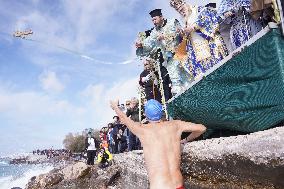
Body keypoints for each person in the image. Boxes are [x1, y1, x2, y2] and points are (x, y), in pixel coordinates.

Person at [110, 99, 206, 189]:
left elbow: (124, 118)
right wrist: (185, 139)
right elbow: (202, 128)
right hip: (178, 185)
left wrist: (115, 107)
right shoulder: (176, 125)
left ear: (146, 115)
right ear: (161, 112)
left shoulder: (142, 129)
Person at [170, 0, 228, 79]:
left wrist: (194, 26)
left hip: (211, 49)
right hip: (198, 55)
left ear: (185, 3)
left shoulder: (198, 10)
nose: (181, 11)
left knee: (223, 74)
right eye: (179, 11)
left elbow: (210, 17)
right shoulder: (184, 22)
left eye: (182, 8)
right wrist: (183, 34)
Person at [136, 9, 188, 95]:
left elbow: (181, 33)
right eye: (152, 20)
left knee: (188, 75)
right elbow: (149, 43)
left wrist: (165, 36)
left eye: (155, 19)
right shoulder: (154, 32)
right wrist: (141, 45)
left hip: (182, 53)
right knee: (175, 82)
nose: (154, 22)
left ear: (161, 17)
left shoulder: (173, 22)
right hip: (170, 59)